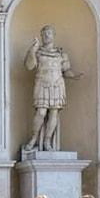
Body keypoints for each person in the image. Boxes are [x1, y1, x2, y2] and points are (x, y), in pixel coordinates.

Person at [22, 24, 82, 152]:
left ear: (53, 35)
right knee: (41, 112)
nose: (46, 36)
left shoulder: (61, 54)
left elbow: (66, 71)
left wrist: (74, 76)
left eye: (49, 33)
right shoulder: (38, 52)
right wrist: (32, 50)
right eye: (44, 33)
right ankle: (33, 138)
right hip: (42, 83)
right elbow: (29, 66)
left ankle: (47, 141)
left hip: (57, 84)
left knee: (54, 112)